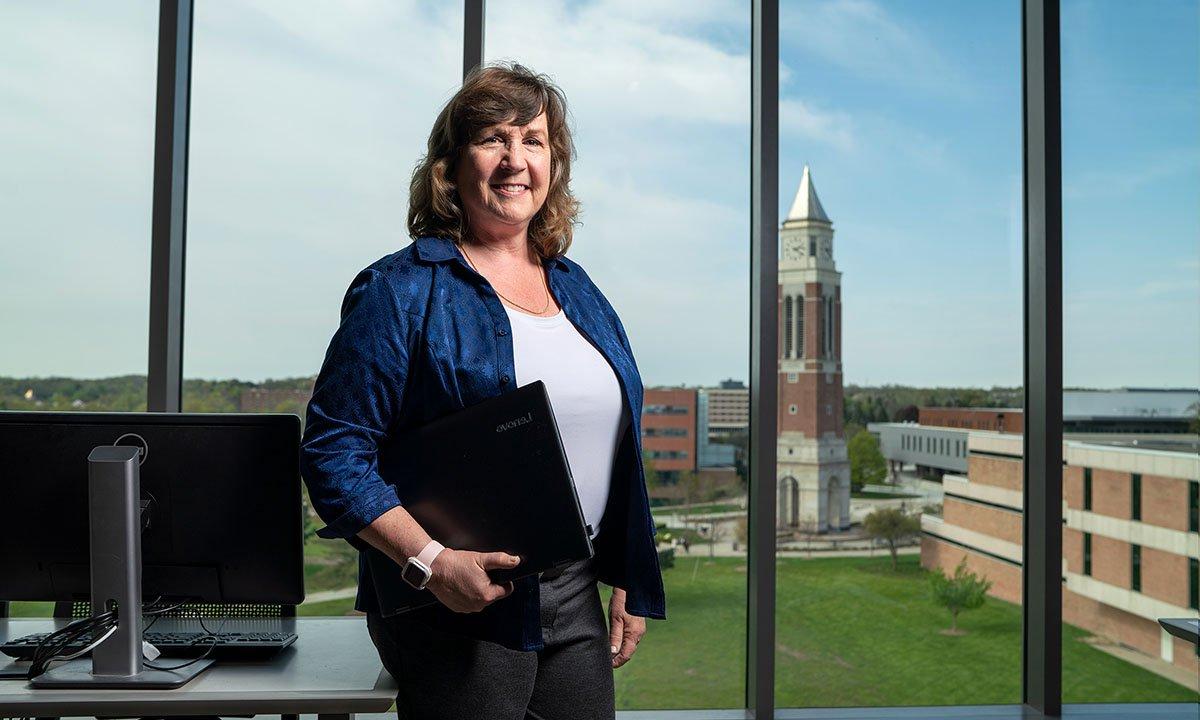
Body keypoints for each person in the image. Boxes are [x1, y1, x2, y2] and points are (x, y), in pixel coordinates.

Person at [299, 62, 665, 720]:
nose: (514, 160)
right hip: (457, 605)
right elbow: (333, 450)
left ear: (555, 162)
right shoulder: (398, 291)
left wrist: (631, 576)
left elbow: (617, 444)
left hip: (573, 591)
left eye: (533, 140)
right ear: (450, 164)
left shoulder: (579, 289)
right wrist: (431, 562)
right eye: (493, 139)